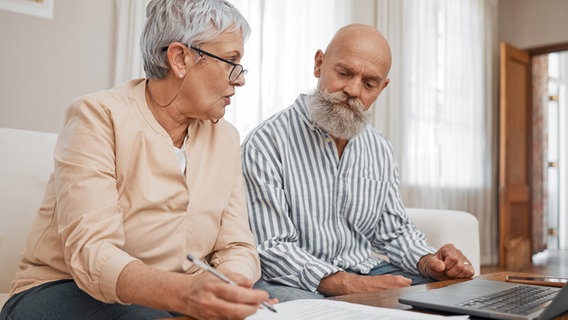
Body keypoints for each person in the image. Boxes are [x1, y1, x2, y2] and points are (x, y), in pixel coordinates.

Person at [0, 1, 271, 319]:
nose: (239, 80)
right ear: (180, 59)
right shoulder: (98, 117)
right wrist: (183, 294)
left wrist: (231, 284)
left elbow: (237, 245)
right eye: (230, 62)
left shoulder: (225, 137)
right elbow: (93, 253)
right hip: (65, 289)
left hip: (172, 297)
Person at [241, 23, 475, 302]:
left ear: (381, 88)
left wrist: (429, 262)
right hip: (295, 281)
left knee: (452, 295)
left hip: (366, 268)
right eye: (344, 73)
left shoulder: (379, 148)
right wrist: (346, 283)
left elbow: (393, 231)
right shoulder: (266, 143)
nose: (353, 90)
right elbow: (271, 248)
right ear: (319, 64)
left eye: (368, 83)